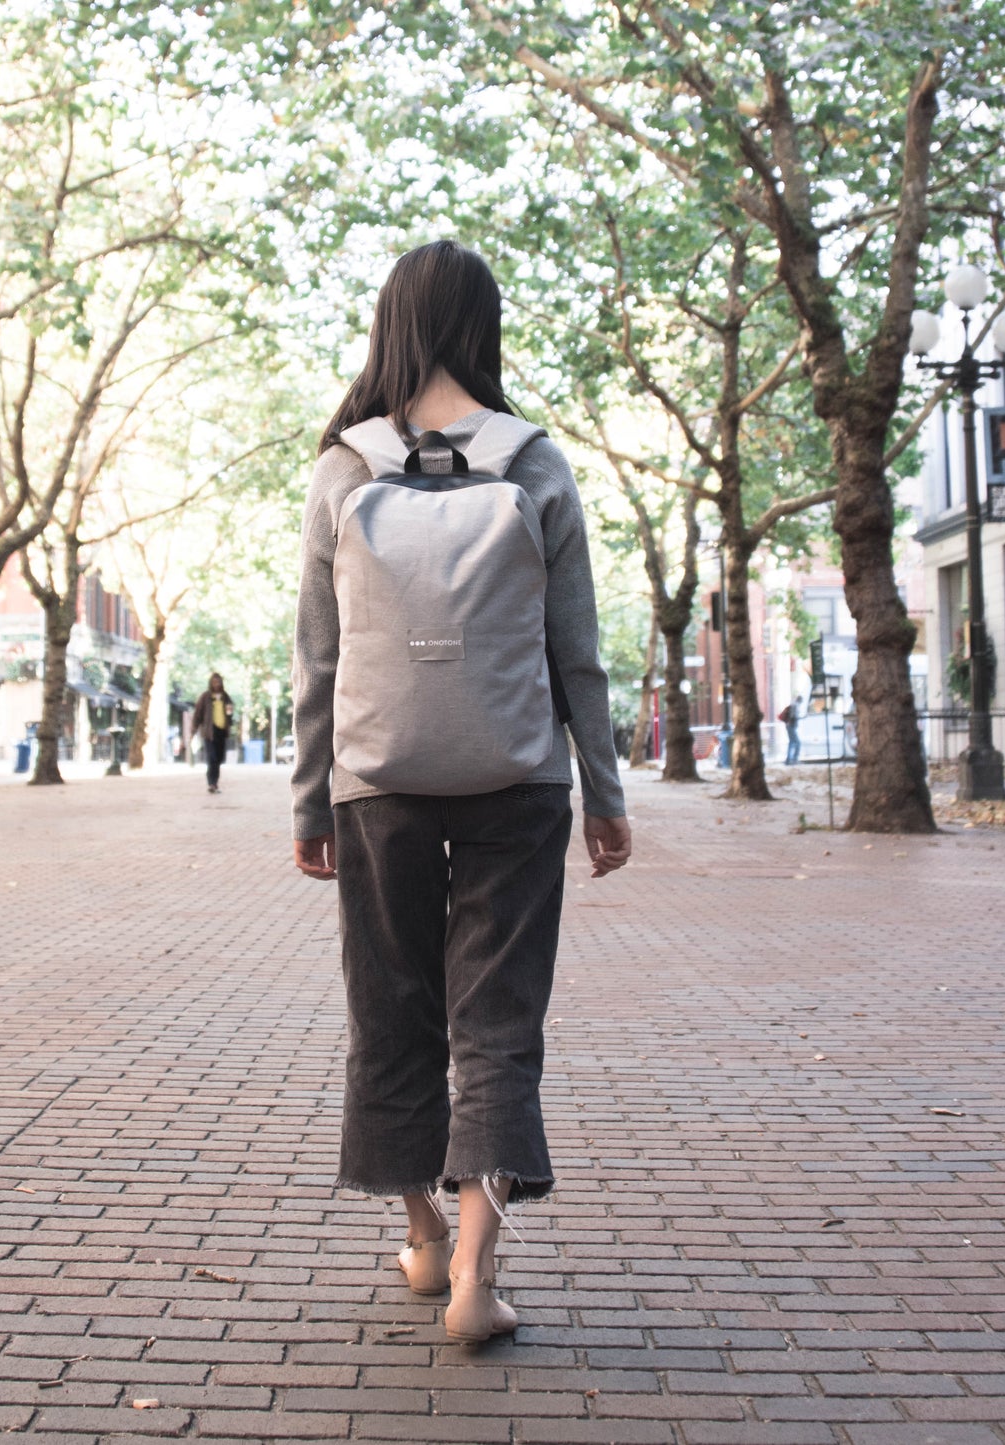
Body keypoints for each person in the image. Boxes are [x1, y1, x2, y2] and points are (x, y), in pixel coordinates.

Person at [290, 240, 632, 1345]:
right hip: (517, 773)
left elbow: (316, 659)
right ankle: (477, 1277)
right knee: (496, 1018)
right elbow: (573, 648)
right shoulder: (532, 461)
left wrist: (308, 801)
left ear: (391, 325)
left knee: (389, 1007)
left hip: (374, 780)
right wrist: (602, 787)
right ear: (484, 326)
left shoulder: (344, 465)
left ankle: (422, 1232)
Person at [190, 674, 235, 794]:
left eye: (218, 682)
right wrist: (193, 729)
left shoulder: (226, 697)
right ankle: (211, 783)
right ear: (211, 683)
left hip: (222, 732)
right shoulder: (205, 697)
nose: (216, 684)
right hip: (209, 732)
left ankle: (215, 783)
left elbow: (230, 712)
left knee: (219, 758)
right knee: (212, 758)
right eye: (214, 682)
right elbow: (197, 714)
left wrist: (229, 717)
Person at [780, 695, 802, 764]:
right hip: (791, 726)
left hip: (789, 726)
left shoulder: (793, 705)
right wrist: (802, 717)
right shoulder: (795, 706)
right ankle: (794, 759)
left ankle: (789, 759)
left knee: (791, 742)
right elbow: (793, 716)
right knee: (797, 743)